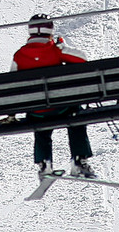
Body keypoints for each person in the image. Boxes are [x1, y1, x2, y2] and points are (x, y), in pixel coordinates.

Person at [12, 14, 95, 178]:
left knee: (39, 119)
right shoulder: (55, 50)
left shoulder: (19, 56)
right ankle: (79, 161)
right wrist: (63, 47)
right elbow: (83, 59)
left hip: (37, 111)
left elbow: (11, 85)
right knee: (75, 113)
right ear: (50, 31)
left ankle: (44, 164)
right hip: (61, 108)